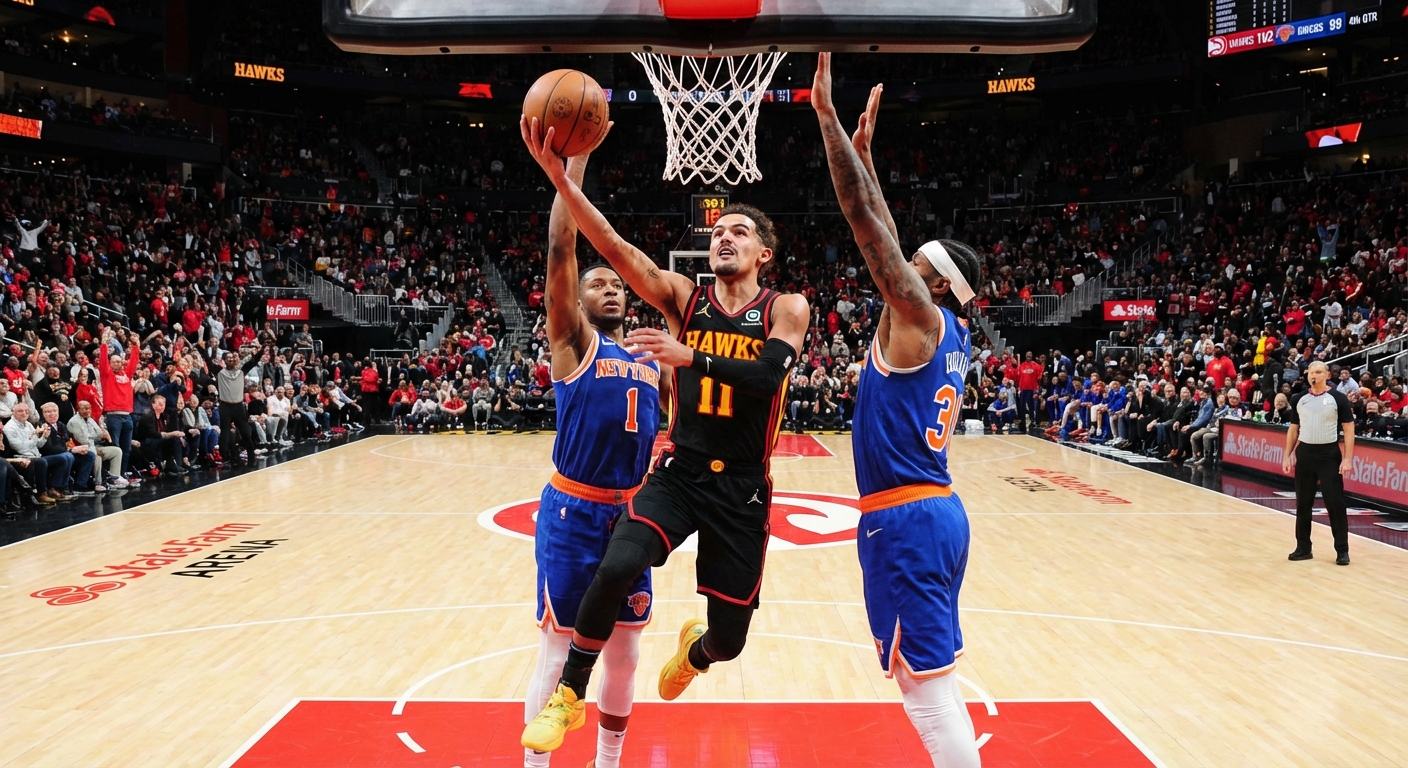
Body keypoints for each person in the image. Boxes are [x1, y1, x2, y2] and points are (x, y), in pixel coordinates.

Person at [519, 103, 809, 751]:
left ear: (764, 253)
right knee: (619, 563)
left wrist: (695, 357)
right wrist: (564, 180)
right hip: (678, 474)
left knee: (729, 639)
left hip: (742, 489)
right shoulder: (684, 298)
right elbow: (615, 250)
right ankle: (567, 697)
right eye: (719, 232)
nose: (725, 237)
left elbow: (768, 374)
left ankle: (696, 656)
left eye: (739, 231)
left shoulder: (787, 308)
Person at [815, 57, 981, 766]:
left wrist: (827, 123)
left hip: (908, 517)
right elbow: (880, 224)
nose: (902, 264)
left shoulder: (916, 316)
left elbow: (862, 223)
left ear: (935, 282)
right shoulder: (952, 327)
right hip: (932, 508)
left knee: (923, 684)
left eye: (916, 262)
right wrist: (870, 158)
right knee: (928, 673)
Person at [520, 151, 663, 768]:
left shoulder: (655, 358)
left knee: (627, 654)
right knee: (559, 650)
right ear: (574, 302)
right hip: (574, 513)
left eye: (615, 282)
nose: (609, 287)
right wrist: (570, 173)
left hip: (630, 517)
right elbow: (560, 251)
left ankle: (608, 762)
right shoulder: (574, 341)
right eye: (595, 283)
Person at [1283, 361, 1355, 566]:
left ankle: (1342, 550)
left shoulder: (1338, 398)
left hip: (1328, 454)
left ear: (1326, 375)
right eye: (1311, 372)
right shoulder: (1299, 399)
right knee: (1303, 503)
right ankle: (1303, 547)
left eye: (1318, 372)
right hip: (1305, 453)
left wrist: (1348, 458)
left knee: (1335, 502)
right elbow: (1293, 429)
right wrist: (1287, 455)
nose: (1313, 375)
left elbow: (1349, 430)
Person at [4, 402, 73, 503]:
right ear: (13, 413)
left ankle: (57, 488)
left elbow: (38, 445)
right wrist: (35, 436)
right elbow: (20, 447)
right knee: (41, 462)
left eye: (26, 411)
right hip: (22, 457)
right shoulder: (9, 427)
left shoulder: (28, 424)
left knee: (64, 458)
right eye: (20, 411)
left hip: (36, 455)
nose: (24, 413)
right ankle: (41, 493)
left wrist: (44, 436)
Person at [97, 328, 141, 484]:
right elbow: (102, 363)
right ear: (110, 363)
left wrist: (136, 347)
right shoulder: (107, 375)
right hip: (114, 416)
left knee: (126, 448)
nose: (119, 363)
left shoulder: (126, 375)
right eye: (115, 361)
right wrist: (103, 345)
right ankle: (112, 476)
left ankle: (122, 474)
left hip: (127, 416)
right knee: (116, 448)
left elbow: (134, 363)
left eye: (120, 361)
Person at [39, 402, 95, 495]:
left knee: (89, 455)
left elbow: (68, 441)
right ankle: (59, 487)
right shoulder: (42, 426)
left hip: (66, 453)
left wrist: (76, 449)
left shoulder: (61, 425)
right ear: (43, 414)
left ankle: (80, 485)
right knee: (67, 456)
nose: (52, 414)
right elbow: (49, 448)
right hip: (49, 456)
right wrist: (70, 450)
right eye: (48, 412)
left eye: (54, 411)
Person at [69, 400, 123, 491]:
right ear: (78, 409)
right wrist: (99, 436)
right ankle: (98, 483)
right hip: (81, 449)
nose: (88, 411)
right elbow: (84, 440)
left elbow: (98, 434)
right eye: (85, 409)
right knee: (96, 456)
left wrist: (101, 436)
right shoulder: (74, 422)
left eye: (89, 408)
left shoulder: (90, 419)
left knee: (117, 451)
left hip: (94, 446)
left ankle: (115, 478)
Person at [136, 395, 187, 475]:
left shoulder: (165, 416)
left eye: (163, 404)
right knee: (165, 441)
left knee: (176, 440)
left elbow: (167, 431)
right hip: (147, 441)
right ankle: (167, 466)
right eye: (160, 404)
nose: (162, 406)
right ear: (153, 404)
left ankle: (177, 465)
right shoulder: (148, 417)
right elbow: (152, 433)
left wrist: (175, 435)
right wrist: (170, 434)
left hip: (159, 439)